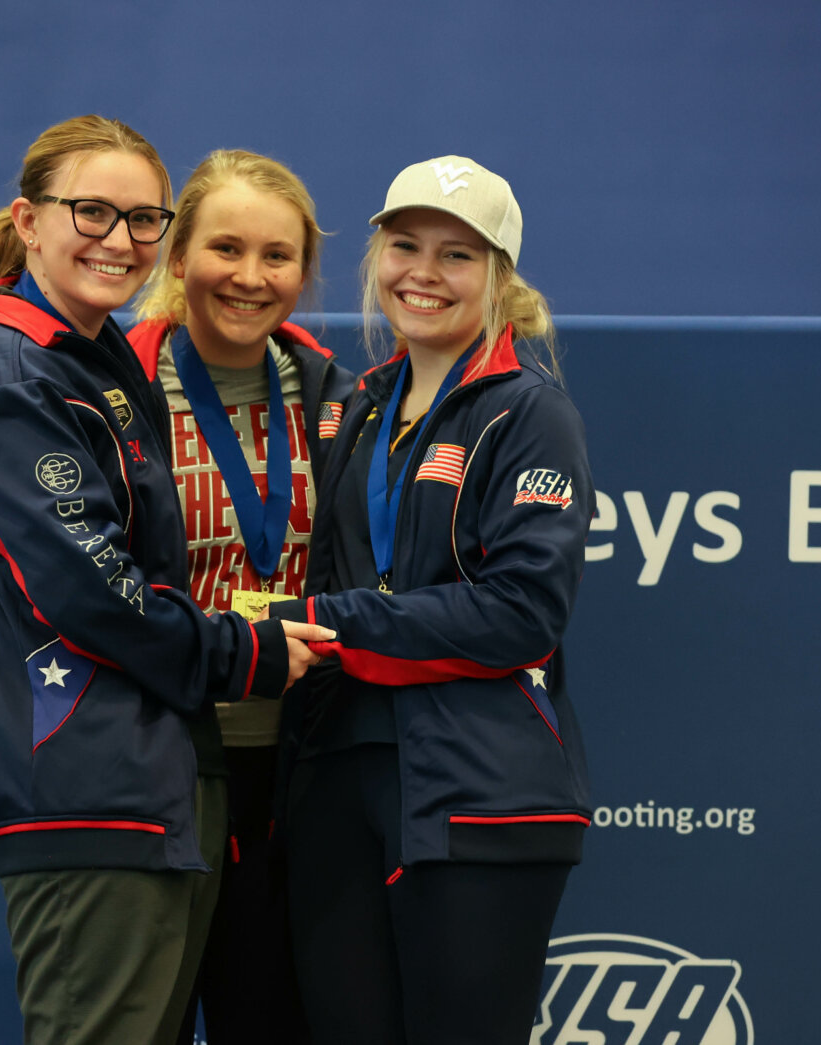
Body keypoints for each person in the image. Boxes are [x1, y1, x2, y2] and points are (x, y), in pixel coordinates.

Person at [0, 117, 332, 1045]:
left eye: (140, 218)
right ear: (28, 221)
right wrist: (243, 650)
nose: (118, 238)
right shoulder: (34, 368)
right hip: (109, 765)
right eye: (92, 211)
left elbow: (74, 553)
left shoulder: (332, 396)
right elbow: (87, 582)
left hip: (231, 771)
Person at [267, 156, 595, 1045]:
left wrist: (335, 621)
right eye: (405, 245)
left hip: (477, 788)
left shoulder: (529, 414)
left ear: (500, 276)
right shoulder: (359, 408)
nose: (423, 273)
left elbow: (521, 613)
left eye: (457, 255)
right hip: (340, 773)